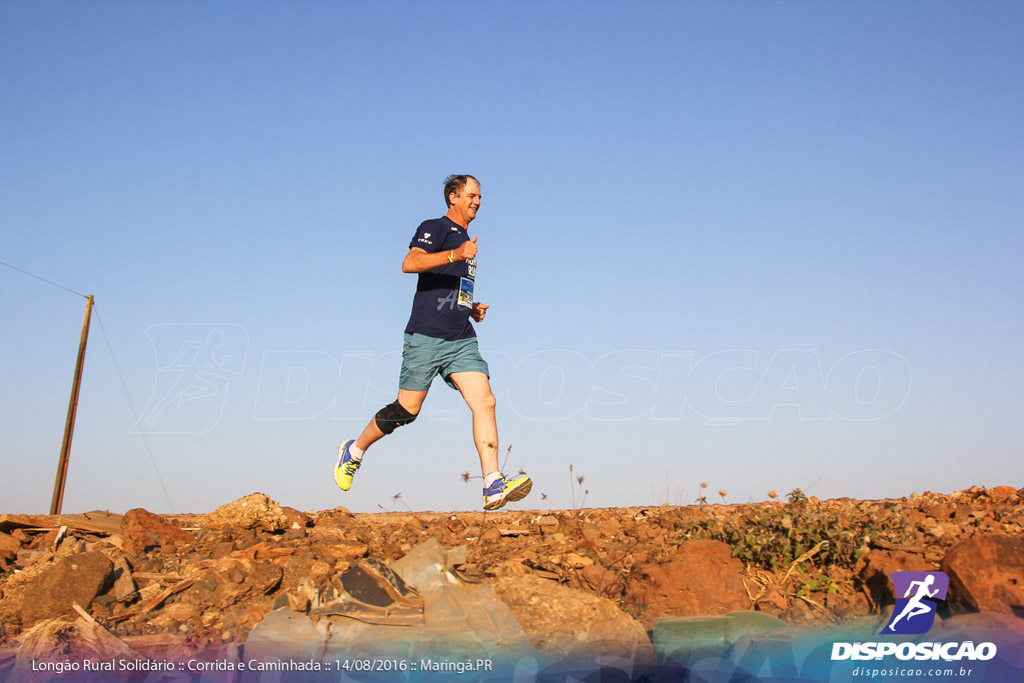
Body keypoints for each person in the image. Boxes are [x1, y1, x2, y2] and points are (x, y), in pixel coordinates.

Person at [334, 174, 532, 510]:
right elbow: (410, 263)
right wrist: (456, 253)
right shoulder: (437, 228)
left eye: (480, 197)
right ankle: (354, 449)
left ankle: (492, 483)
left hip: (460, 339)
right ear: (453, 197)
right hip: (426, 336)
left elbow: (452, 288)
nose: (478, 202)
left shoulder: (466, 241)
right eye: (472, 195)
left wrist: (471, 308)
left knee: (485, 401)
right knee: (406, 410)